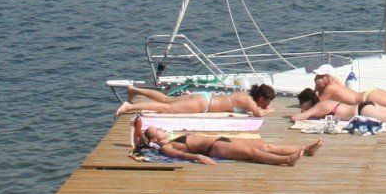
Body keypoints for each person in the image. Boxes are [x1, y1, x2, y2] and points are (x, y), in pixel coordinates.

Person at [135, 124, 320, 166]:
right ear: (153, 140)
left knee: (265, 145)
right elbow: (183, 156)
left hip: (220, 139)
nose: (160, 129)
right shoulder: (166, 147)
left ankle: (305, 149)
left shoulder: (172, 139)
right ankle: (287, 160)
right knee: (253, 152)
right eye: (155, 130)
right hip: (214, 147)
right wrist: (199, 157)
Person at [293, 87, 386, 124]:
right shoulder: (324, 103)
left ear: (307, 102)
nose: (302, 106)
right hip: (365, 105)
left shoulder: (318, 107)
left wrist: (301, 112)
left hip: (363, 110)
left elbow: (297, 118)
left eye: (302, 103)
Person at [114, 83, 275, 116]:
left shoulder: (244, 96)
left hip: (204, 96)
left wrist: (264, 108)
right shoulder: (250, 102)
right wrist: (267, 111)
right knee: (167, 109)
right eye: (267, 102)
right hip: (204, 103)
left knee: (166, 99)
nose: (267, 105)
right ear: (261, 98)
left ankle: (135, 90)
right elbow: (259, 114)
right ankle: (129, 107)